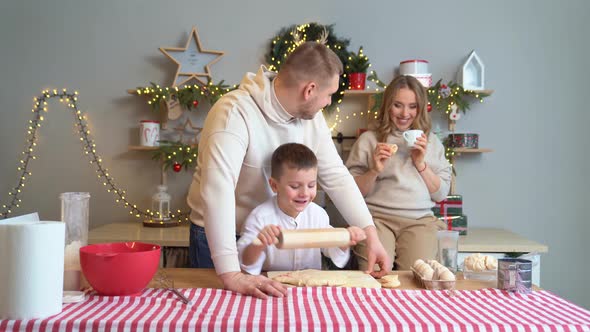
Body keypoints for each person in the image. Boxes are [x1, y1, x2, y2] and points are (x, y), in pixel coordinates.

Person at [186, 41, 391, 299]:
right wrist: (231, 274)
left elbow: (337, 177)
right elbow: (218, 191)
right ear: (310, 90)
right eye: (329, 94)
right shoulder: (234, 113)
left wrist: (369, 234)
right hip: (221, 237)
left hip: (276, 240)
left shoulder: (312, 120)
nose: (328, 102)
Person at [345, 75, 451, 271]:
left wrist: (420, 164)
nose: (405, 113)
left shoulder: (432, 142)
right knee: (375, 273)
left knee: (417, 275)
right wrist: (374, 170)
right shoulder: (369, 140)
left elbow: (441, 194)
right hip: (375, 219)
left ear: (420, 108)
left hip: (419, 222)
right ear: (387, 106)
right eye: (398, 105)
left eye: (412, 106)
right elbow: (350, 194)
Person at [237, 143, 366, 275]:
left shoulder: (318, 214)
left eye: (311, 185)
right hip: (272, 284)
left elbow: (332, 250)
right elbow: (245, 263)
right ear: (274, 185)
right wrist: (259, 243)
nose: (304, 193)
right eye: (294, 186)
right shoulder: (260, 217)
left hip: (309, 285)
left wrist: (346, 238)